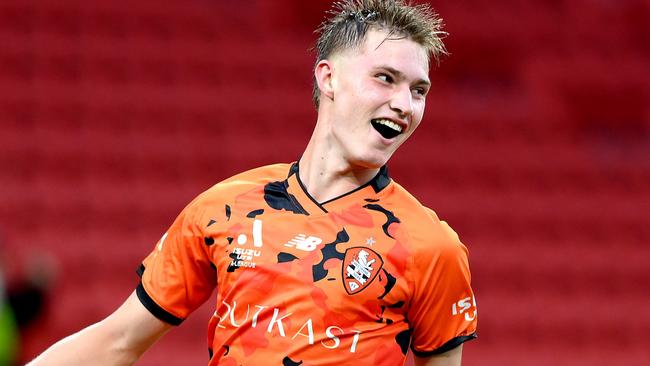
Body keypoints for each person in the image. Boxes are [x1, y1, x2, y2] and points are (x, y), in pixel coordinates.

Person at [28, 0, 477, 365]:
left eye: (419, 90)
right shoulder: (226, 207)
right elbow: (118, 340)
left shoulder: (431, 247)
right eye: (386, 79)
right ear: (328, 77)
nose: (405, 104)